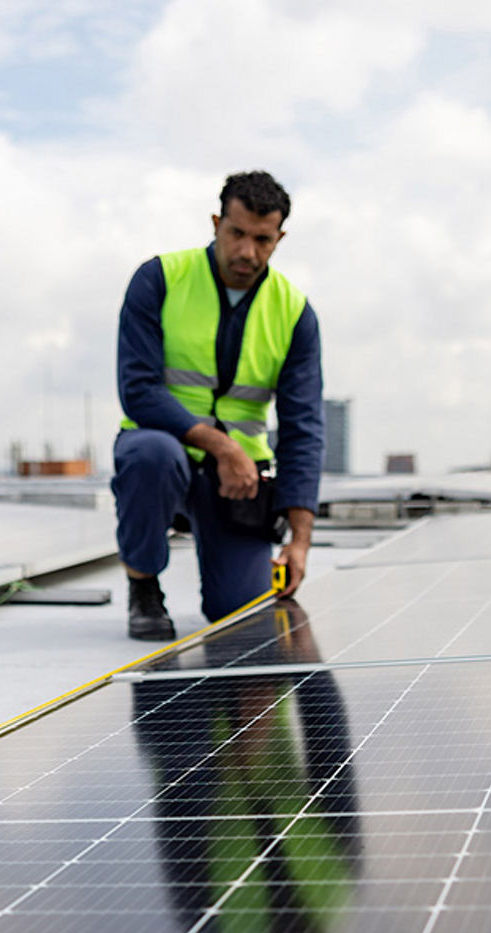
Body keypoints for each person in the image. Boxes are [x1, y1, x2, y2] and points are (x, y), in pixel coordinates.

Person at [112, 170, 324, 641]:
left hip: (238, 488)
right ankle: (144, 585)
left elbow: (304, 428)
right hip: (166, 453)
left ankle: (223, 554)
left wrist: (300, 541)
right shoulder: (160, 279)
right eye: (237, 234)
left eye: (263, 240)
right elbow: (139, 389)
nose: (247, 252)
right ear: (216, 223)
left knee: (241, 613)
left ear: (280, 237)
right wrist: (224, 448)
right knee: (150, 457)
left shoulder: (293, 313)